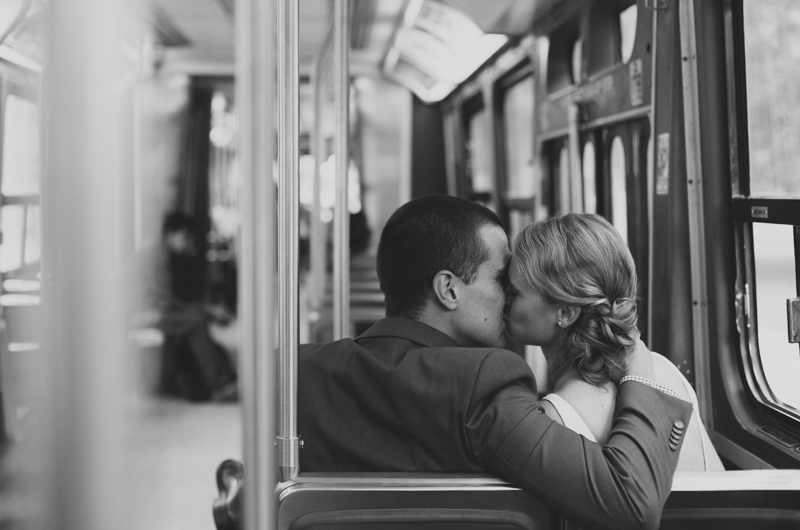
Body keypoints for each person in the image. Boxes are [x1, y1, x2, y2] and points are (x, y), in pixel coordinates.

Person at [297, 195, 693, 530]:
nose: (510, 294)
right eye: (501, 279)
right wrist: (640, 374)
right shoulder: (483, 385)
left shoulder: (300, 373)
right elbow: (630, 502)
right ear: (448, 289)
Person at [506, 213, 723, 471]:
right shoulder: (664, 370)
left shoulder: (555, 419)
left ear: (565, 313)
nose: (504, 300)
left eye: (514, 293)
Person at [132, 211, 238, 402]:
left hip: (151, 310)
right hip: (144, 314)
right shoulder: (158, 256)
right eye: (185, 237)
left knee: (198, 318)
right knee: (197, 321)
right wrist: (208, 310)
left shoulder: (161, 253)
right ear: (171, 234)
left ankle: (219, 382)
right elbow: (164, 301)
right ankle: (220, 384)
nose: (188, 242)